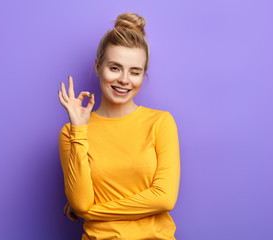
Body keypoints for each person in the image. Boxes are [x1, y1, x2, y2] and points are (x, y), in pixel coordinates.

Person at [57, 12, 181, 240]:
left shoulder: (161, 123)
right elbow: (81, 201)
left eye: (135, 72)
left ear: (143, 75)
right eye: (115, 68)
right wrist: (79, 130)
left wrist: (91, 211)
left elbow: (165, 198)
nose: (125, 80)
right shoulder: (71, 133)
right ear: (97, 67)